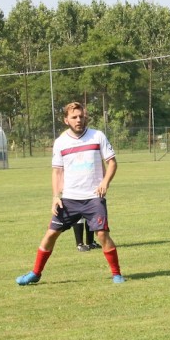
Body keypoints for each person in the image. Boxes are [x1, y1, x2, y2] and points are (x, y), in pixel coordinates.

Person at [16, 101, 125, 285]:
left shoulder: (97, 136)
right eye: (74, 117)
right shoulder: (60, 142)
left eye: (81, 116)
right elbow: (57, 172)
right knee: (51, 234)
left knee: (101, 234)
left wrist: (105, 182)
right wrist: (55, 196)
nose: (79, 120)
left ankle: (117, 274)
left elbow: (112, 163)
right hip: (69, 199)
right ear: (66, 120)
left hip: (93, 198)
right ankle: (35, 273)